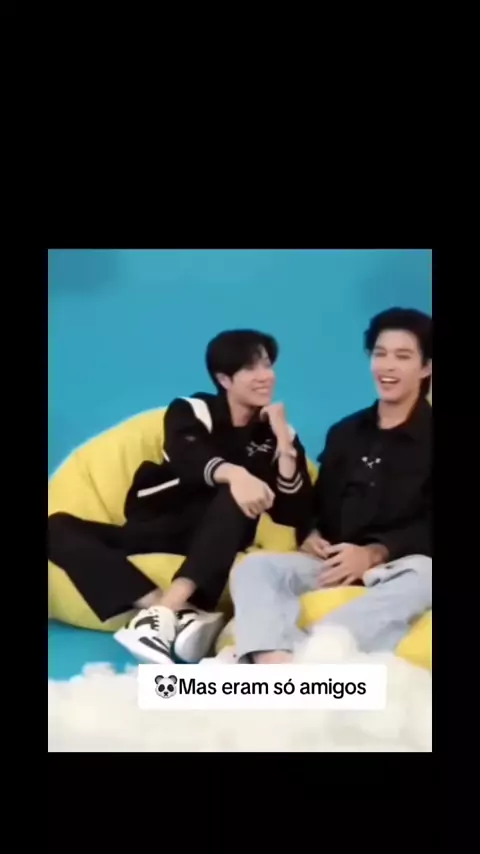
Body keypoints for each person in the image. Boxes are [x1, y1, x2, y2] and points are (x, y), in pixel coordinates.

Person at [48, 329, 312, 664]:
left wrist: (285, 446)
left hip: (221, 535)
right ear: (224, 379)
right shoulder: (193, 409)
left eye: (268, 365)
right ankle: (175, 611)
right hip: (158, 524)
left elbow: (293, 512)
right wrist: (236, 474)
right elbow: (188, 456)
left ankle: (163, 615)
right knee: (55, 526)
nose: (266, 376)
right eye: (251, 368)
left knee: (235, 497)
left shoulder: (276, 434)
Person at [230, 307, 432, 663]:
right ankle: (276, 662)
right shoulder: (345, 432)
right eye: (380, 354)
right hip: (332, 564)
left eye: (403, 357)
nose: (387, 366)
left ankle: (314, 651)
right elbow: (318, 504)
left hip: (398, 567)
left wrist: (375, 553)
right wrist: (310, 532)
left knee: (427, 575)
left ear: (426, 367)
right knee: (255, 568)